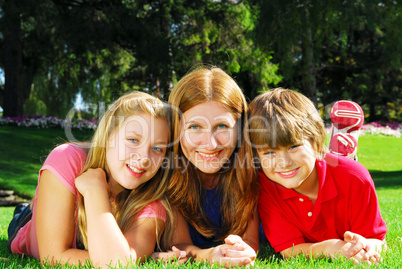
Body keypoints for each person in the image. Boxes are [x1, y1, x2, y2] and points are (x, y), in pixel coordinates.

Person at [7, 91, 186, 268]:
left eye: (157, 148)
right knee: (26, 213)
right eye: (133, 140)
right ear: (108, 137)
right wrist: (133, 258)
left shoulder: (152, 201)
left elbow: (117, 264)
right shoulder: (67, 158)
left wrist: (95, 190)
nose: (144, 157)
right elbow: (53, 256)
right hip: (27, 223)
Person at [247, 88, 387, 265]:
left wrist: (367, 248)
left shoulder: (356, 179)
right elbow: (289, 249)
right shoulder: (265, 186)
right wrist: (329, 248)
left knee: (346, 169)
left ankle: (341, 155)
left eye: (293, 146)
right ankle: (339, 152)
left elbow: (376, 239)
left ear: (316, 143)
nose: (283, 162)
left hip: (340, 171)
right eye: (268, 152)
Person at [166, 67, 260, 267]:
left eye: (222, 126)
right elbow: (180, 244)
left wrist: (240, 249)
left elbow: (250, 241)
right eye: (194, 127)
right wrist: (209, 255)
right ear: (176, 128)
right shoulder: (168, 176)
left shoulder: (251, 170)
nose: (210, 144)